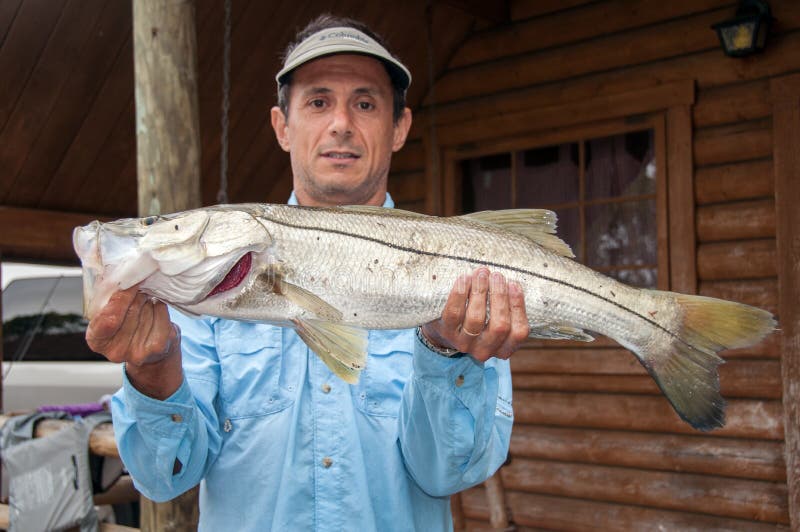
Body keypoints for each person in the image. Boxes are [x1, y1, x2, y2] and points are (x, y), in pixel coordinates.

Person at [86, 14, 530, 531]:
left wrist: (446, 352)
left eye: (365, 103)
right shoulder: (200, 293)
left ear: (399, 128)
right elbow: (166, 478)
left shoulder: (463, 279)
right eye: (318, 102)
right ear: (282, 126)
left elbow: (449, 474)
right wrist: (153, 371)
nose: (341, 122)